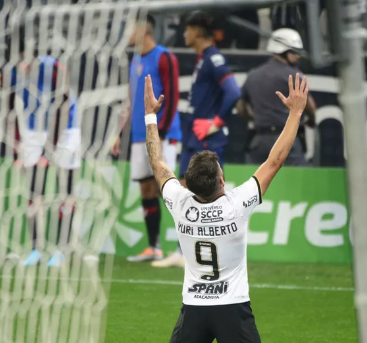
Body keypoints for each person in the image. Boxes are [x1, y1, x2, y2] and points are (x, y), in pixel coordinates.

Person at [134, 73, 309, 343]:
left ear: (189, 184)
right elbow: (275, 160)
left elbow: (157, 163)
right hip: (232, 306)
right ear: (221, 180)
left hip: (194, 307)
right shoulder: (237, 204)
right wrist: (296, 112)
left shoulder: (178, 201)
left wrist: (149, 116)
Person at [153, 10, 241, 269]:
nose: (184, 34)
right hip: (194, 138)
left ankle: (213, 249)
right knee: (186, 190)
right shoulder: (204, 59)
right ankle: (185, 251)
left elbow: (233, 91)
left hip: (206, 140)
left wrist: (215, 122)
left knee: (206, 194)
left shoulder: (213, 58)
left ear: (197, 31)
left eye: (187, 29)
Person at [112, 14, 182, 263]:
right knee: (146, 187)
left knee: (168, 188)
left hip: (162, 134)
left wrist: (161, 132)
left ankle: (186, 247)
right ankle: (154, 246)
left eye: (131, 26)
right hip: (140, 135)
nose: (127, 31)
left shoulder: (164, 57)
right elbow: (131, 102)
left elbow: (173, 96)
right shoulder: (135, 61)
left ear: (144, 29)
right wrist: (120, 133)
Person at [10, 42, 82, 267]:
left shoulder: (54, 68)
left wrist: (47, 149)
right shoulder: (14, 70)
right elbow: (10, 107)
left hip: (66, 129)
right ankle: (35, 250)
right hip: (34, 130)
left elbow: (62, 105)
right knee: (33, 190)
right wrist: (17, 147)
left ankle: (62, 250)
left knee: (65, 190)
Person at [238, 28, 316, 166]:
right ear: (283, 52)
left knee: (258, 184)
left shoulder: (253, 75)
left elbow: (240, 107)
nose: (298, 57)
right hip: (286, 141)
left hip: (259, 141)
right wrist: (311, 120)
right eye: (294, 52)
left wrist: (253, 118)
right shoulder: (294, 75)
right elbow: (309, 105)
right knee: (300, 181)